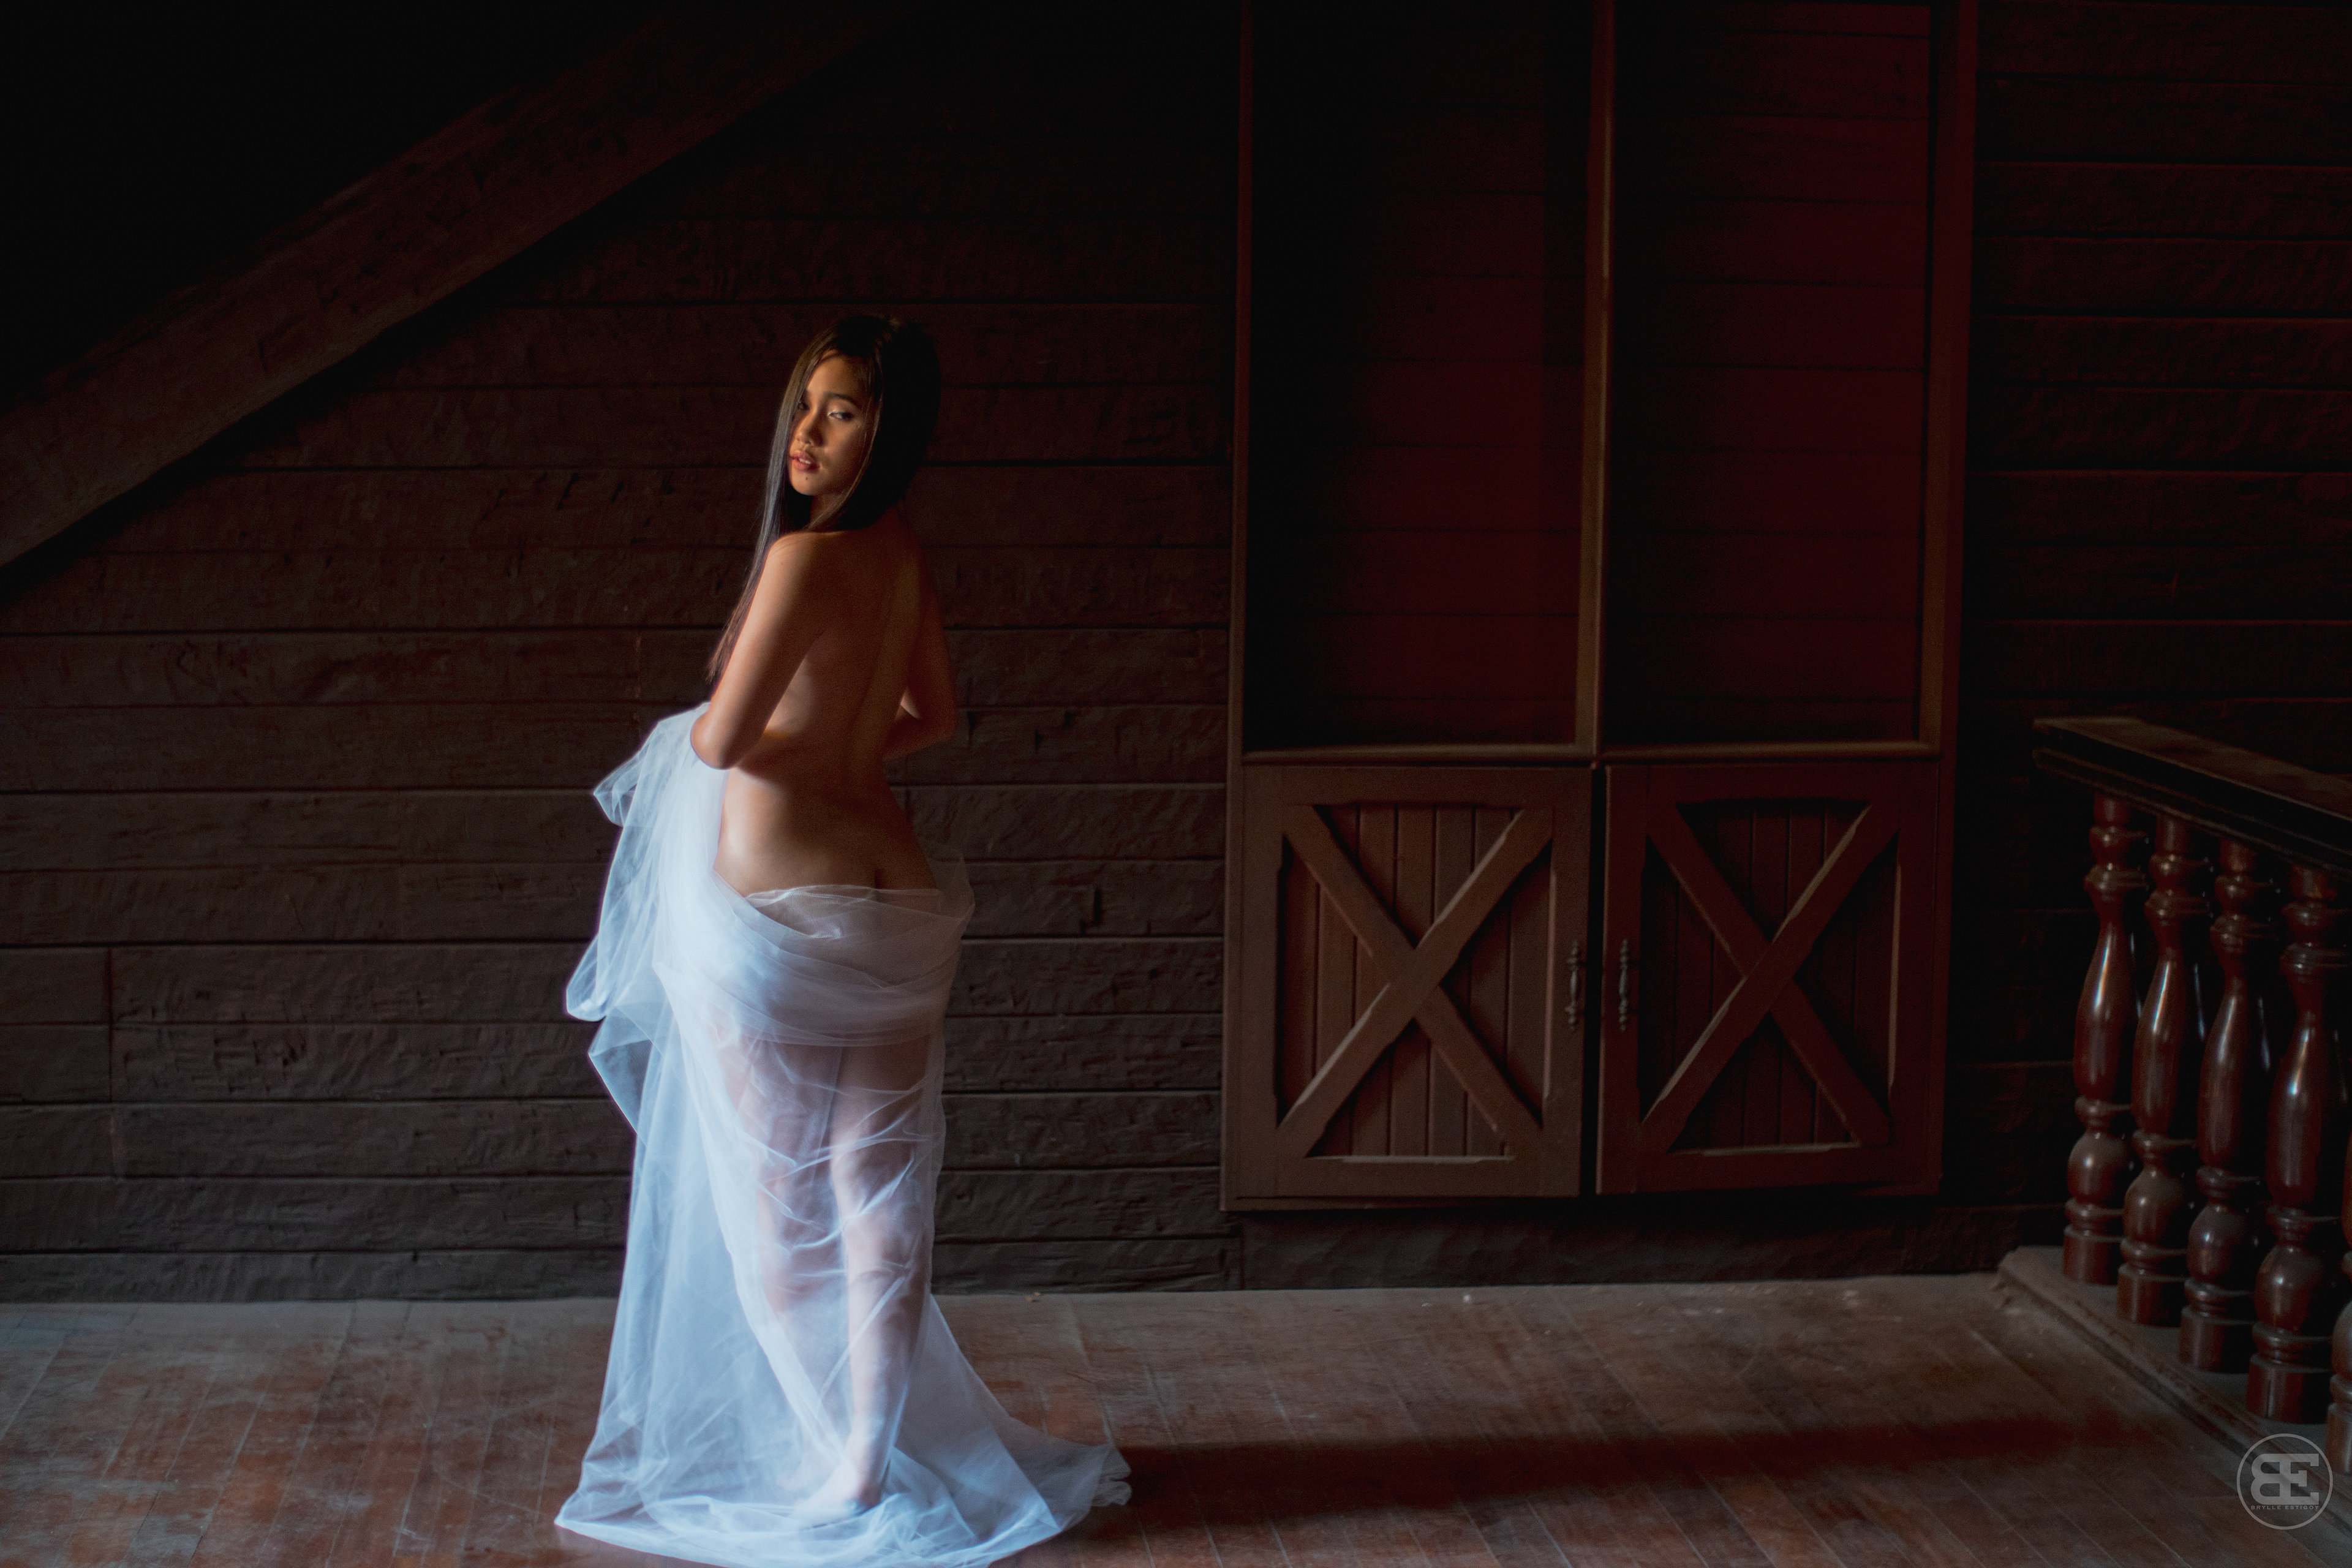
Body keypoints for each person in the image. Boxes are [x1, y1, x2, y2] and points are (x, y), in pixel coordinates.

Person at [556, 316, 1131, 1566]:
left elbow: (721, 741)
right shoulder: (901, 552)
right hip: (894, 898)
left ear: (891, 430)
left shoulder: (805, 561)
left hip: (779, 913)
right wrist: (840, 746)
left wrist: (717, 739)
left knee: (776, 1198)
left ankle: (840, 1462)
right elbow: (935, 715)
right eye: (809, 405)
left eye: (847, 411)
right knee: (877, 1187)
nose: (811, 433)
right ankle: (867, 1456)